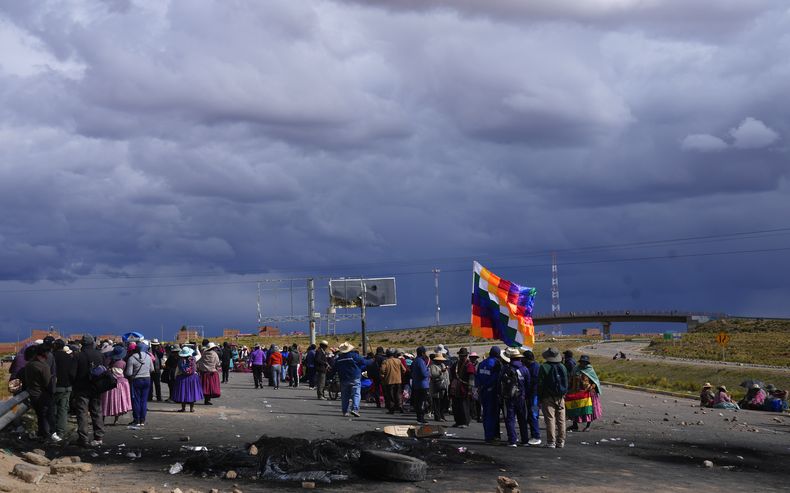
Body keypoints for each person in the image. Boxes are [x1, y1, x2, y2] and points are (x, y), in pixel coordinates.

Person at [73, 334, 105, 447]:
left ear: (82, 343)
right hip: (96, 387)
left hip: (82, 388)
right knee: (96, 411)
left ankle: (83, 438)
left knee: (82, 413)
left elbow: (73, 373)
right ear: (93, 343)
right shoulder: (100, 355)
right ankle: (99, 436)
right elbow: (105, 370)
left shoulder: (78, 356)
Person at [25, 344, 57, 442]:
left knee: (40, 416)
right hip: (43, 395)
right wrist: (52, 391)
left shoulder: (29, 365)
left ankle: (41, 434)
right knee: (46, 416)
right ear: (45, 354)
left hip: (33, 393)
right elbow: (47, 383)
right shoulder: (44, 366)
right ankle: (47, 436)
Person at [537, 347, 568, 448]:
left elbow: (540, 384)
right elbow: (566, 382)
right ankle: (561, 441)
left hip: (547, 396)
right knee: (561, 419)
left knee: (550, 419)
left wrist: (540, 397)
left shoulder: (544, 367)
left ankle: (551, 442)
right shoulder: (562, 367)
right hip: (560, 397)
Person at [500, 348, 530, 447]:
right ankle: (525, 440)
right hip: (521, 397)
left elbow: (500, 382)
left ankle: (512, 440)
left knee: (510, 419)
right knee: (522, 419)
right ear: (519, 358)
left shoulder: (506, 368)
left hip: (509, 397)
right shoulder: (525, 369)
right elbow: (528, 384)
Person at [566, 355, 602, 432]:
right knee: (574, 408)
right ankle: (574, 425)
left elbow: (595, 381)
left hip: (588, 393)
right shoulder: (576, 369)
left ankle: (588, 425)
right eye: (582, 362)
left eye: (585, 362)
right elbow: (571, 379)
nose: (583, 364)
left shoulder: (590, 370)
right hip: (576, 392)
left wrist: (591, 388)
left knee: (588, 409)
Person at [476, 346, 503, 442]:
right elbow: (496, 379)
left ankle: (487, 435)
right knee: (493, 414)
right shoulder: (496, 364)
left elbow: (477, 377)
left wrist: (481, 387)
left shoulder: (482, 363)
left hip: (483, 391)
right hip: (492, 392)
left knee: (486, 413)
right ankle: (492, 436)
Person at [333, 342, 366, 417]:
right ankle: (355, 409)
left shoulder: (339, 358)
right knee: (356, 394)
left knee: (345, 396)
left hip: (344, 378)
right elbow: (364, 362)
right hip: (355, 377)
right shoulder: (354, 356)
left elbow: (334, 368)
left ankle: (345, 411)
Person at [101, 346, 132, 425]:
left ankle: (103, 418)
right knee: (118, 402)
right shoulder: (123, 363)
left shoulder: (108, 361)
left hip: (109, 383)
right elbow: (125, 373)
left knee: (106, 401)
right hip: (121, 383)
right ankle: (116, 420)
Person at [52, 339, 76, 440]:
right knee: (63, 409)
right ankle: (61, 432)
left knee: (53, 409)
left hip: (56, 386)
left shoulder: (52, 356)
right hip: (68, 386)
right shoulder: (69, 357)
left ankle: (53, 430)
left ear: (55, 346)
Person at [125, 341, 153, 426]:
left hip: (136, 380)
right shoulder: (148, 357)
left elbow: (129, 373)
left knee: (136, 400)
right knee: (144, 400)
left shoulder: (132, 358)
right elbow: (152, 369)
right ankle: (142, 420)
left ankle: (136, 419)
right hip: (147, 379)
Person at [449, 347, 476, 428]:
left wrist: (470, 389)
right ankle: (458, 421)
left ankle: (465, 422)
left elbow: (471, 378)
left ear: (466, 356)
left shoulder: (469, 365)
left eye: (463, 355)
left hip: (465, 388)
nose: (462, 357)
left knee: (464, 406)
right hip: (456, 388)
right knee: (456, 406)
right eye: (461, 355)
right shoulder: (456, 364)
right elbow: (452, 374)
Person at [173, 346, 203, 412]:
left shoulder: (180, 361)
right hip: (193, 378)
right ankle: (191, 408)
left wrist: (175, 377)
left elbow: (177, 371)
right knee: (192, 392)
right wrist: (197, 348)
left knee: (183, 393)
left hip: (182, 378)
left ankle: (183, 408)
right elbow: (199, 355)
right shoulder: (194, 359)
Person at [522, 350, 542, 446]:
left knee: (533, 415)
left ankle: (536, 436)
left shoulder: (534, 368)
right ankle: (534, 434)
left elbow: (533, 383)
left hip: (534, 396)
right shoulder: (532, 367)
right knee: (532, 415)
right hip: (533, 395)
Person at [380, 348, 407, 414]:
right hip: (398, 380)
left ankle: (392, 409)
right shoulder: (398, 361)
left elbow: (382, 371)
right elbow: (404, 370)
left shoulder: (385, 361)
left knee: (390, 395)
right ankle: (400, 406)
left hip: (389, 381)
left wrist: (384, 376)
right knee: (398, 394)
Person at [411, 346, 431, 424]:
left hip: (416, 384)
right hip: (422, 384)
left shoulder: (415, 361)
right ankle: (421, 418)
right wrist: (428, 371)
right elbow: (424, 373)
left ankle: (419, 417)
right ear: (423, 353)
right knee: (422, 402)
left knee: (418, 402)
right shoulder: (420, 361)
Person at [429, 353, 450, 422]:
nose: (441, 361)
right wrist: (441, 372)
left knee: (442, 403)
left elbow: (446, 375)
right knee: (437, 403)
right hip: (436, 387)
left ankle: (442, 416)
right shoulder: (433, 366)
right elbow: (433, 374)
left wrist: (447, 383)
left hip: (443, 387)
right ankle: (437, 417)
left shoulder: (442, 365)